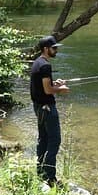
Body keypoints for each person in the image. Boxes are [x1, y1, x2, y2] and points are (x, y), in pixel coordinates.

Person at [30, 35, 69, 185]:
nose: (56, 50)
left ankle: (40, 172)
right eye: (54, 48)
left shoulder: (37, 63)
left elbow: (43, 85)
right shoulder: (45, 66)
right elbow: (47, 90)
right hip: (47, 109)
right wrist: (61, 89)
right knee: (54, 140)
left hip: (38, 107)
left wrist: (56, 84)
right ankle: (51, 177)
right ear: (46, 49)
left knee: (43, 139)